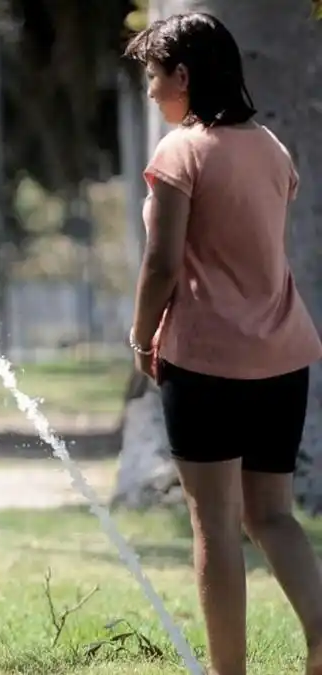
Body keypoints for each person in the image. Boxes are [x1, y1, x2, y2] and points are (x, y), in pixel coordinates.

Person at [126, 13, 322, 675]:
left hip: (206, 360)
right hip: (283, 356)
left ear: (183, 75)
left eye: (155, 78)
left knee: (214, 522)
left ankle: (227, 670)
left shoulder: (180, 152)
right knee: (273, 514)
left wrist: (138, 336)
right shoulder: (271, 148)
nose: (151, 92)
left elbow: (162, 263)